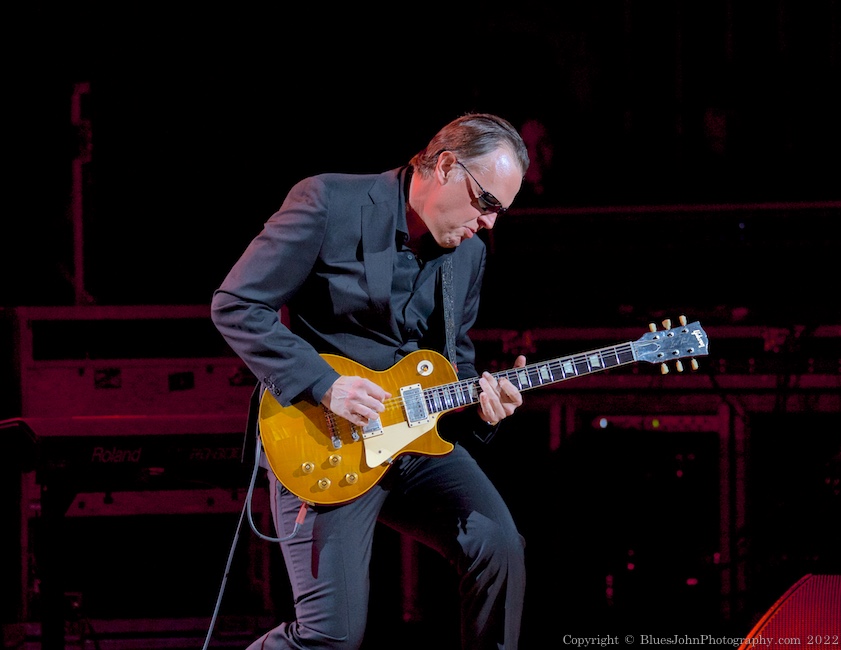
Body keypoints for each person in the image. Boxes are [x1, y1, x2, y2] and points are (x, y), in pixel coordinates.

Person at [211, 112, 531, 650]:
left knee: (500, 547)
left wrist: (482, 404)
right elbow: (237, 304)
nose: (490, 223)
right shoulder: (328, 202)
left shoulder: (469, 254)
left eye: (502, 211)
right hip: (324, 435)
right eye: (487, 203)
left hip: (414, 438)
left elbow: (454, 363)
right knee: (330, 637)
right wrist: (324, 383)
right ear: (447, 166)